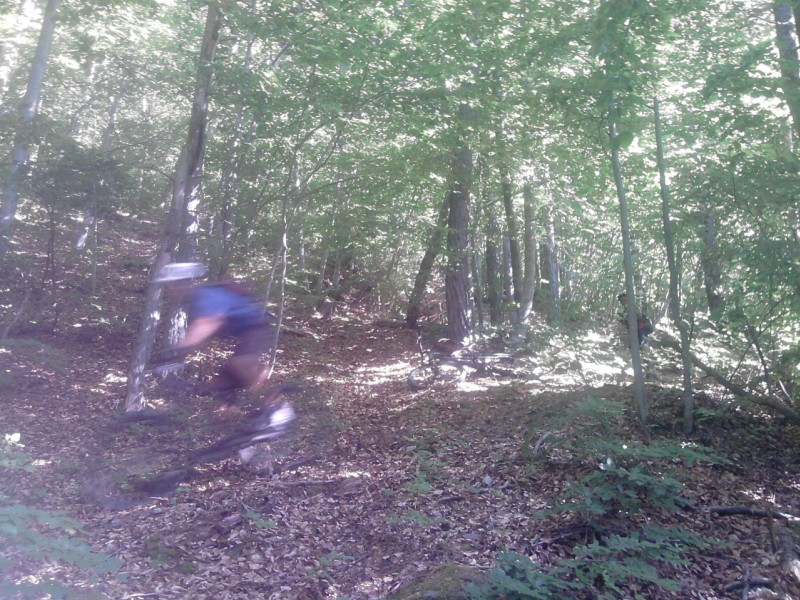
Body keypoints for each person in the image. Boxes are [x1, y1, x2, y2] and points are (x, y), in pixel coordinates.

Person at [152, 262, 279, 410]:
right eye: (169, 286)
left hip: (255, 328)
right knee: (221, 385)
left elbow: (208, 322)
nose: (171, 289)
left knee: (241, 364)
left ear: (185, 283)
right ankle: (240, 419)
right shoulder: (198, 298)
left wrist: (177, 350)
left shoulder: (206, 294)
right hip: (242, 335)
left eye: (173, 285)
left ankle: (270, 404)